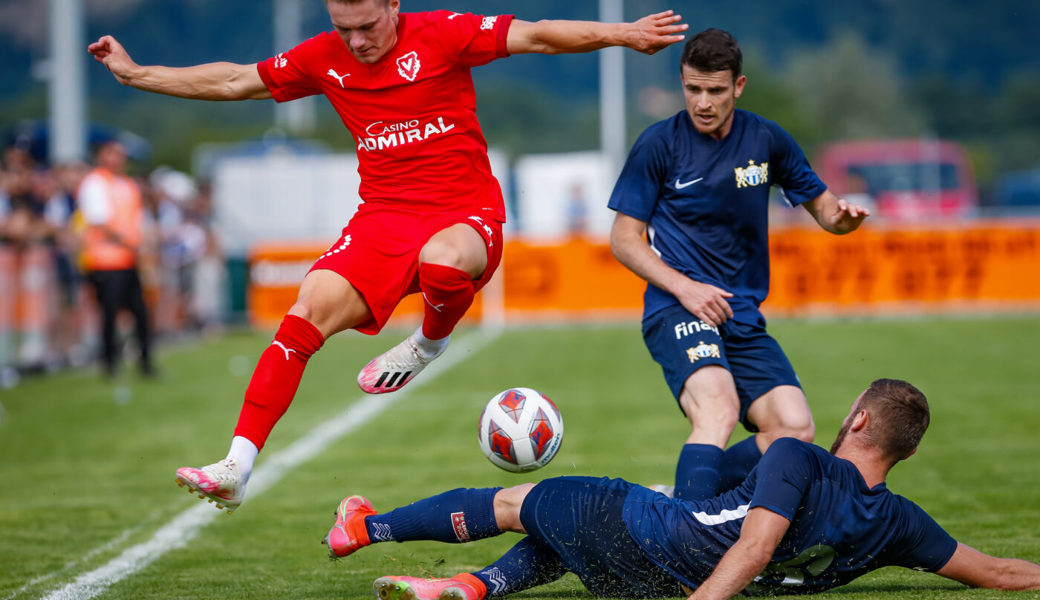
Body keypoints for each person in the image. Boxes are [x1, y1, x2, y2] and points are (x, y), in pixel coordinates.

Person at [87, 0, 689, 512]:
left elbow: (535, 37)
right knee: (304, 313)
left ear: (394, 4)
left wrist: (623, 33)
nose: (356, 40)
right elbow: (233, 81)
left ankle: (430, 341)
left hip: (464, 213)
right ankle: (236, 467)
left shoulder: (444, 33)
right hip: (380, 221)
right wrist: (138, 74)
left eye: (368, 26)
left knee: (443, 261)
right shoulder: (325, 56)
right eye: (343, 27)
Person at [322, 379, 1040, 600]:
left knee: (515, 504)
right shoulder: (901, 525)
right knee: (572, 537)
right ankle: (478, 588)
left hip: (654, 536)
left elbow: (756, 547)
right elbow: (1002, 573)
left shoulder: (797, 455)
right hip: (654, 578)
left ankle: (365, 527)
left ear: (855, 420)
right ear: (905, 453)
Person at [607, 28, 871, 501]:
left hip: (742, 312)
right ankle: (683, 541)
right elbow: (625, 240)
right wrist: (685, 288)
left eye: (715, 90)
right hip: (678, 308)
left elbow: (827, 211)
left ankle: (680, 499)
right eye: (692, 89)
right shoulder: (659, 145)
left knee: (793, 429)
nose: (702, 102)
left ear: (739, 86)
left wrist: (844, 221)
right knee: (718, 409)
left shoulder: (767, 139)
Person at [77, 139, 156, 378]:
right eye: (113, 153)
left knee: (140, 313)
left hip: (128, 260)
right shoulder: (95, 183)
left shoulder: (126, 184)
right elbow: (99, 222)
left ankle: (145, 363)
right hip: (105, 261)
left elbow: (137, 220)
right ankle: (110, 364)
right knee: (109, 314)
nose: (119, 159)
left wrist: (139, 244)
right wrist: (130, 242)